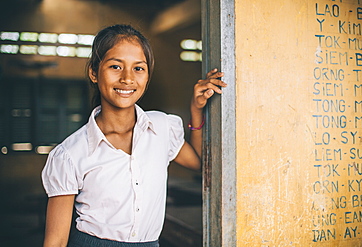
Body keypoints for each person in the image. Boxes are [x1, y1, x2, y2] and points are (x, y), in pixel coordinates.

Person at [41, 24, 226, 247]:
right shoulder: (70, 154)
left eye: (138, 68)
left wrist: (196, 109)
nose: (128, 78)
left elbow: (199, 163)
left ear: (148, 75)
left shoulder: (161, 128)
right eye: (115, 66)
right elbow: (56, 241)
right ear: (93, 72)